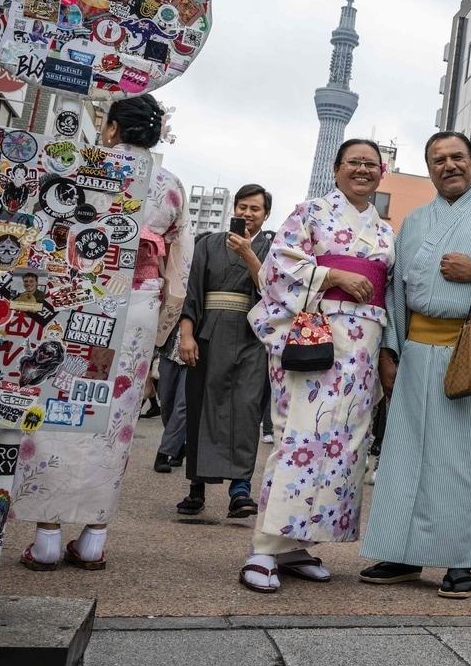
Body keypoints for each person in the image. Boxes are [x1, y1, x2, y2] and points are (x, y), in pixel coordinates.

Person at [359, 132, 471, 600]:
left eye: (456, 157)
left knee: (464, 463)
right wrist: (390, 350)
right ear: (429, 168)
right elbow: (395, 292)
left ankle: (460, 562)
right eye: (437, 160)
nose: (448, 166)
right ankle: (402, 553)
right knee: (407, 457)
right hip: (417, 350)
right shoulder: (415, 221)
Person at [14, 94, 191, 571]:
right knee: (113, 420)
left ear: (111, 130)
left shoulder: (77, 171)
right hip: (136, 307)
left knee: (57, 407)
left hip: (76, 301)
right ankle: (94, 537)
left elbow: (44, 239)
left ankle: (47, 535)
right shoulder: (170, 187)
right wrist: (157, 331)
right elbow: (179, 273)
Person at [239, 140, 394, 592]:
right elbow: (277, 268)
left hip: (363, 344)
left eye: (371, 164)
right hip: (316, 334)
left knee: (346, 443)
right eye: (354, 163)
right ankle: (265, 547)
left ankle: (296, 543)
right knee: (301, 436)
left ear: (382, 172)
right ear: (337, 168)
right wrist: (332, 275)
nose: (363, 170)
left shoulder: (385, 231)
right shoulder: (309, 212)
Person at [176, 184, 274, 519]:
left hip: (252, 338)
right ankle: (196, 488)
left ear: (266, 215)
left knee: (246, 410)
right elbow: (192, 291)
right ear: (234, 208)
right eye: (242, 207)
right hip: (208, 333)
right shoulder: (208, 244)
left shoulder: (272, 248)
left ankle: (240, 489)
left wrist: (249, 253)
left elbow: (274, 292)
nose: (247, 214)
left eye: (255, 209)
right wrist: (186, 334)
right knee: (202, 407)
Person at [152, 326, 188, 473]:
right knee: (166, 404)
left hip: (193, 358)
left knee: (182, 406)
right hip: (168, 353)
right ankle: (178, 446)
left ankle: (164, 453)